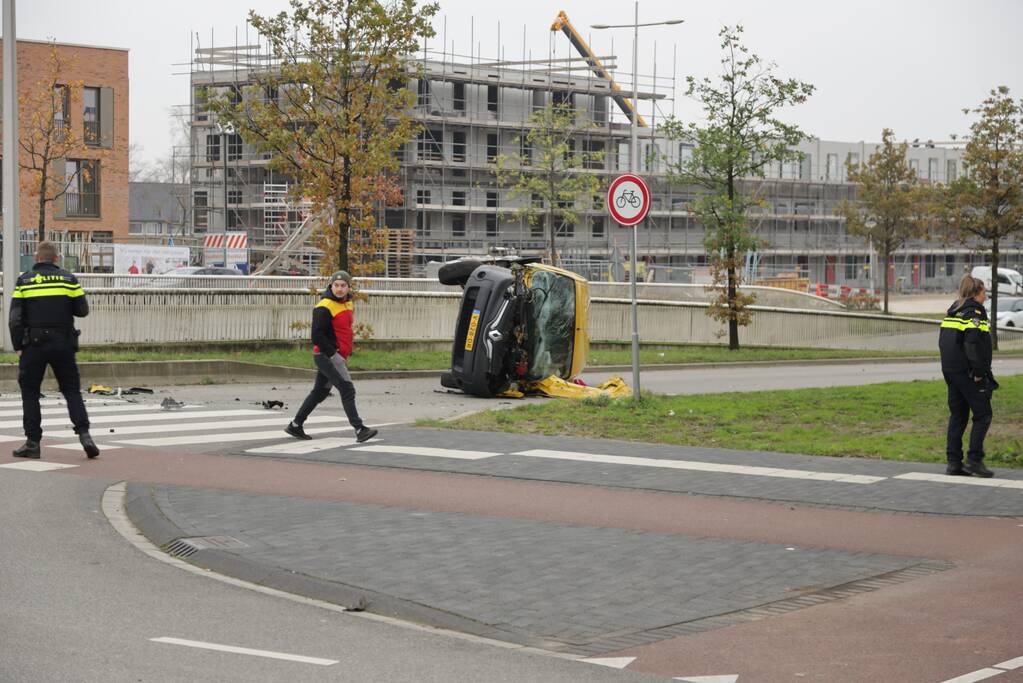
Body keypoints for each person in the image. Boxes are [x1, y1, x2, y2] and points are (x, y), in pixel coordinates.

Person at [9, 241, 99, 460]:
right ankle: (85, 435)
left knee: (30, 393)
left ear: (37, 259)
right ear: (56, 259)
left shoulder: (25, 281)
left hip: (34, 345)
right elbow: (82, 311)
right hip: (63, 344)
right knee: (71, 391)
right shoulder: (68, 279)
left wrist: (19, 346)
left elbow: (15, 320)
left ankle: (32, 443)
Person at [285, 271, 377, 443]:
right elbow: (317, 336)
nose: (340, 289)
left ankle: (295, 425)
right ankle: (359, 429)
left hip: (336, 355)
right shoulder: (324, 306)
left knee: (319, 392)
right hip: (328, 356)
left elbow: (343, 330)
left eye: (343, 286)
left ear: (349, 287)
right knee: (347, 389)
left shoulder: (347, 303)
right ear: (331, 286)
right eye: (336, 285)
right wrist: (334, 355)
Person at [939, 275, 997, 478]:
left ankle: (954, 462)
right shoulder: (975, 312)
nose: (986, 297)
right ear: (976, 293)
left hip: (951, 372)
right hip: (968, 374)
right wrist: (979, 372)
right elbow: (972, 344)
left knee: (958, 416)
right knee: (983, 414)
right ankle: (974, 460)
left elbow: (944, 342)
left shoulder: (953, 311)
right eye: (984, 293)